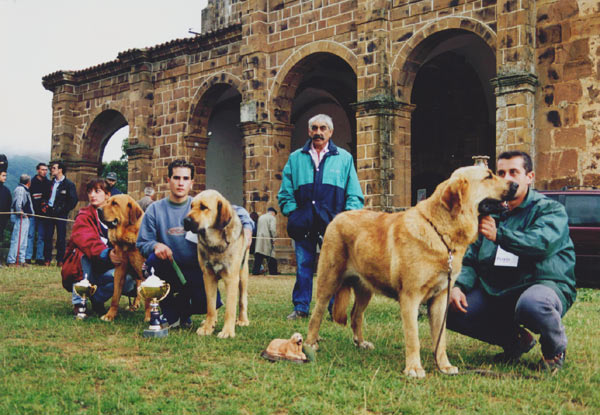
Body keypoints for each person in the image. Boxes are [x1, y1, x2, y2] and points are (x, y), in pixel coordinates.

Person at [447, 151, 576, 372]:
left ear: (530, 176)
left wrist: (500, 236)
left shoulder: (550, 210)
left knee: (533, 304)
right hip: (499, 288)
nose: (507, 178)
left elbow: (541, 243)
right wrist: (458, 286)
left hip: (543, 284)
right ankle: (516, 341)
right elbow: (470, 258)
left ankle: (554, 351)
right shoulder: (491, 212)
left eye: (514, 172)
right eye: (502, 172)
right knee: (448, 307)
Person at [137, 159, 254, 328]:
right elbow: (142, 242)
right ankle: (170, 313)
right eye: (176, 178)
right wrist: (155, 246)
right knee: (153, 262)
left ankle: (181, 312)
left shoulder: (199, 203)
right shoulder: (155, 210)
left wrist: (248, 229)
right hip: (169, 267)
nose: (180, 183)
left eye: (185, 179)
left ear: (192, 183)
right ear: (168, 180)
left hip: (196, 270)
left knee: (203, 303)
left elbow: (236, 211)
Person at [278, 114, 364, 320]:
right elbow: (285, 192)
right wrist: (294, 212)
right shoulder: (295, 158)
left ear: (330, 132)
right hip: (304, 222)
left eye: (323, 128)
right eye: (314, 128)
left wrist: (345, 219)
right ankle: (300, 307)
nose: (318, 132)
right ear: (309, 131)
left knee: (335, 268)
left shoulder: (344, 159)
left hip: (333, 225)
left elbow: (354, 194)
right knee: (303, 265)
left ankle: (334, 309)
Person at [61, 178, 136, 315]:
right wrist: (107, 254)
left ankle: (97, 298)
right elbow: (86, 240)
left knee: (128, 280)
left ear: (108, 195)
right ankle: (79, 302)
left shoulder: (117, 217)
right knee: (81, 255)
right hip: (86, 268)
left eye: (97, 191)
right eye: (90, 191)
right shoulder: (84, 215)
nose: (92, 195)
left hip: (106, 269)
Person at [45, 161, 78, 266]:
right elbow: (45, 196)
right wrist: (45, 207)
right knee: (48, 236)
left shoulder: (69, 184)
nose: (52, 170)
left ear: (60, 170)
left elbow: (73, 200)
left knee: (61, 237)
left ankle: (60, 260)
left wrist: (64, 210)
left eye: (54, 168)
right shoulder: (50, 183)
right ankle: (47, 259)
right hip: (50, 212)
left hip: (61, 214)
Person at [25, 163, 51, 265]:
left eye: (46, 170)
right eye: (42, 170)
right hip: (32, 213)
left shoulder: (48, 183)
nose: (44, 172)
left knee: (41, 236)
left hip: (43, 214)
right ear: (37, 170)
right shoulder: (32, 183)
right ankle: (28, 257)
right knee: (30, 235)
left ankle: (39, 257)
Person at [7, 174, 33, 266]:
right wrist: (21, 213)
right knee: (17, 239)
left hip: (25, 218)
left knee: (23, 240)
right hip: (21, 218)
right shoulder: (21, 189)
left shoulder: (24, 189)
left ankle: (21, 260)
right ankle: (11, 260)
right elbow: (18, 203)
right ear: (28, 182)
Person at [252, 207, 279, 275]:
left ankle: (255, 271)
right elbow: (272, 229)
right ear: (273, 213)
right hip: (267, 239)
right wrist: (274, 238)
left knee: (259, 255)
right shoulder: (272, 218)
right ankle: (273, 272)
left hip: (259, 239)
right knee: (271, 255)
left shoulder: (261, 217)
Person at [0, 171, 11, 267]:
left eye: (5, 176)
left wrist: (6, 219)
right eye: (3, 176)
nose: (5, 178)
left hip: (2, 221)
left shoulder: (6, 191)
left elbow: (8, 205)